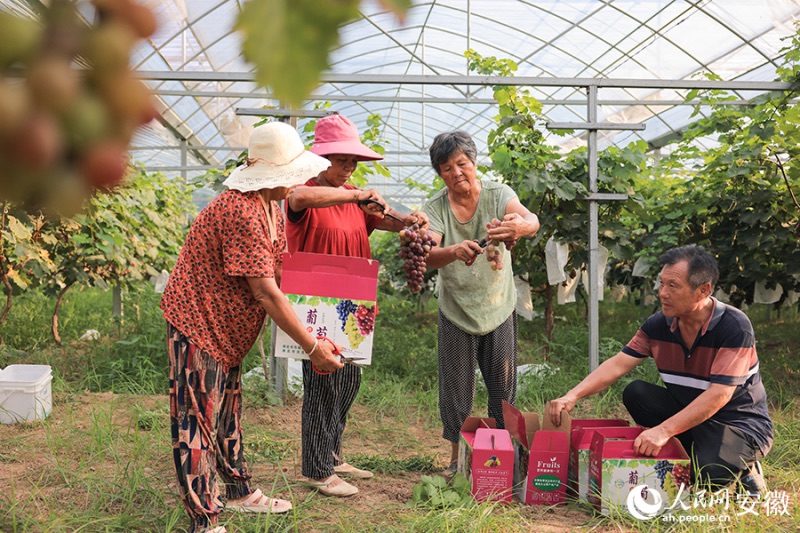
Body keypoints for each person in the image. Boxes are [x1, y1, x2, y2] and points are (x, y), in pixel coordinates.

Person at [160, 121, 344, 533]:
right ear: (272, 173)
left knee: (228, 412)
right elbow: (265, 292)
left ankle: (239, 491)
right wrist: (311, 348)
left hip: (227, 331)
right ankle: (205, 520)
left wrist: (319, 318)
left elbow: (279, 272)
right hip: (199, 324)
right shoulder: (240, 211)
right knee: (198, 421)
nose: (297, 179)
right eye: (292, 172)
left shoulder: (270, 206)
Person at [547, 245, 773, 496]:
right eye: (661, 283)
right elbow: (618, 364)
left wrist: (663, 431)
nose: (662, 293)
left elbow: (720, 394)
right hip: (691, 415)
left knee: (708, 474)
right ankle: (690, 449)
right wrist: (572, 395)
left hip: (736, 423)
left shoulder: (733, 327)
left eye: (673, 286)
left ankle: (746, 465)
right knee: (637, 393)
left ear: (703, 290)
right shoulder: (659, 324)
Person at [285, 113, 429, 497]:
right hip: (317, 302)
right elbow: (299, 200)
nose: (349, 168)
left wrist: (410, 221)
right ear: (320, 159)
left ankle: (332, 454)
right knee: (322, 383)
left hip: (351, 303)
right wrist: (356, 194)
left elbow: (388, 221)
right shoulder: (306, 191)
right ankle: (316, 469)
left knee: (348, 380)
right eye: (341, 160)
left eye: (353, 161)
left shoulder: (354, 198)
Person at [421, 130, 540, 475]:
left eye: (462, 163)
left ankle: (504, 458)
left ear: (474, 162)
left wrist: (519, 228)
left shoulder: (498, 194)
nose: (456, 173)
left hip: (497, 306)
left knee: (502, 386)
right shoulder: (435, 208)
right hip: (457, 308)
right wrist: (454, 251)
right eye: (447, 168)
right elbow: (428, 254)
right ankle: (456, 461)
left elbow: (530, 220)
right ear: (440, 173)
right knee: (456, 389)